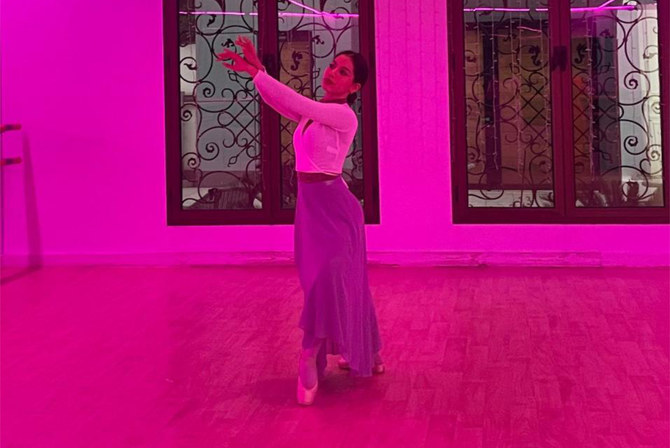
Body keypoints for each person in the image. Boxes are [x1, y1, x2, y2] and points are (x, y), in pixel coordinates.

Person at [218, 37, 383, 406]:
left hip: (337, 210)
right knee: (322, 284)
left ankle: (309, 355)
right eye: (333, 66)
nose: (332, 73)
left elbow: (295, 101)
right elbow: (281, 102)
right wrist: (255, 72)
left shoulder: (344, 115)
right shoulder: (315, 113)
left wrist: (259, 72)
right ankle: (366, 350)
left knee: (332, 280)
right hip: (311, 209)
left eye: (343, 72)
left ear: (354, 87)